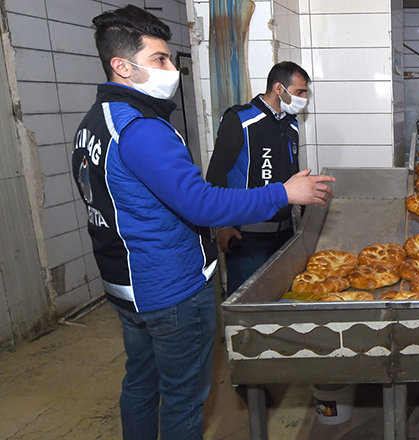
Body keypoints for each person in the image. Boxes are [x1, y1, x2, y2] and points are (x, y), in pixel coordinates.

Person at [71, 6, 334, 440]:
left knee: (140, 383)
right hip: (168, 287)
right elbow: (200, 202)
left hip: (125, 285)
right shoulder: (141, 128)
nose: (172, 69)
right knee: (183, 398)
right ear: (122, 65)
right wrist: (284, 194)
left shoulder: (94, 124)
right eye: (159, 59)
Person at [206, 61, 310, 296]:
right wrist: (221, 226)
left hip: (284, 234)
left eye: (305, 93)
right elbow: (216, 174)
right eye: (299, 92)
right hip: (247, 237)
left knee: (281, 298)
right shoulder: (240, 120)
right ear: (278, 89)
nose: (304, 99)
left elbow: (292, 175)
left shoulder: (291, 126)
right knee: (247, 303)